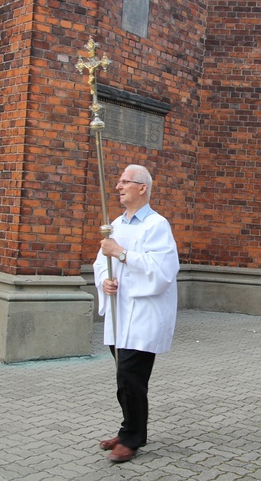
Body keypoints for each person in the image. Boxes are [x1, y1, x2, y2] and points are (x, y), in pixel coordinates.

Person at [93, 164, 180, 463]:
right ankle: (128, 428)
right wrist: (105, 279)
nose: (118, 187)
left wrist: (121, 253)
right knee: (124, 378)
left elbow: (164, 270)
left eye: (124, 182)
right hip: (120, 313)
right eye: (118, 182)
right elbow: (100, 262)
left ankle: (132, 439)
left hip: (143, 314)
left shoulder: (157, 225)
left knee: (131, 377)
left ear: (142, 188)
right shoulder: (116, 224)